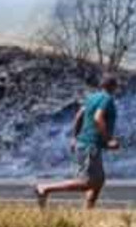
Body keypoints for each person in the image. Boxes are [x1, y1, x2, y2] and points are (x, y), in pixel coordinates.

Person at [35, 75, 121, 209]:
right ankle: (45, 188)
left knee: (99, 180)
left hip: (86, 143)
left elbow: (79, 116)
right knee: (87, 182)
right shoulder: (107, 99)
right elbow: (98, 118)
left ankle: (88, 211)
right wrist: (109, 139)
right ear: (114, 86)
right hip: (89, 145)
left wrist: (74, 137)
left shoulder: (92, 98)